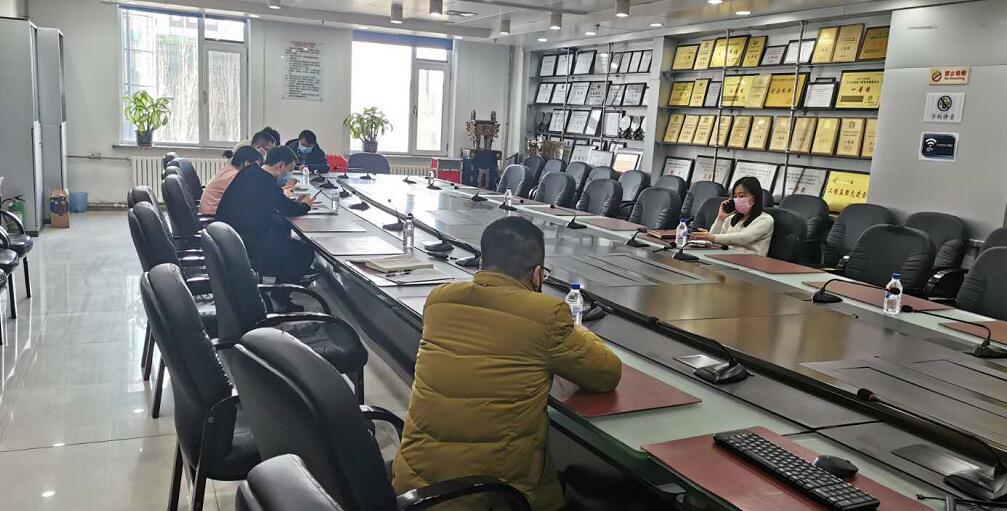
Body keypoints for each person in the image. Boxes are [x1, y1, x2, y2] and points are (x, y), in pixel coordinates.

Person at [392, 216, 622, 510]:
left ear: (482, 262)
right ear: (537, 274)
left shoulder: (440, 299)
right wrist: (579, 331)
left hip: (414, 488)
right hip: (489, 497)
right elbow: (606, 373)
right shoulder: (547, 314)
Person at [215, 146, 316, 311]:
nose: (286, 175)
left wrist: (295, 204)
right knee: (303, 252)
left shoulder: (251, 172)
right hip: (245, 243)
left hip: (230, 237)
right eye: (288, 171)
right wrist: (305, 206)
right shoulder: (265, 181)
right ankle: (280, 300)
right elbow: (285, 207)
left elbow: (276, 203)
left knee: (281, 229)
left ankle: (276, 288)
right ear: (280, 166)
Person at [690, 176, 775, 256]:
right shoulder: (731, 219)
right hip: (726, 259)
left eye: (741, 196)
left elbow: (744, 238)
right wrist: (720, 218)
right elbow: (713, 241)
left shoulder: (765, 220)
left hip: (750, 263)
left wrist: (712, 237)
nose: (737, 199)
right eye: (735, 196)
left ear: (754, 198)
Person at [198, 144, 263, 216]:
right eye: (257, 166)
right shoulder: (235, 176)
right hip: (212, 217)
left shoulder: (229, 169)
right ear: (247, 163)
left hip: (211, 213)